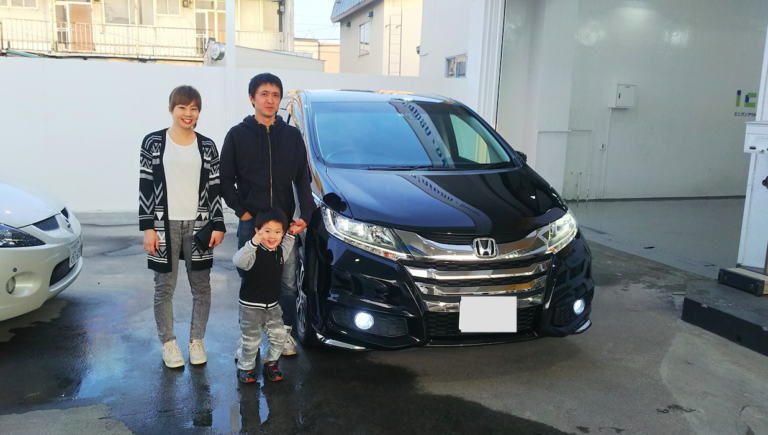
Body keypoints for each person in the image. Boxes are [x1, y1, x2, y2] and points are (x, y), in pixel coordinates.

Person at [220, 73, 315, 356]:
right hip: (252, 225)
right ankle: (248, 337)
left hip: (284, 226)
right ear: (252, 98)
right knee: (250, 281)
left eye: (275, 95)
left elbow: (303, 180)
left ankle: (283, 334)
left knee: (286, 284)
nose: (270, 100)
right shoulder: (237, 135)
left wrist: (306, 214)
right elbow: (225, 180)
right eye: (264, 94)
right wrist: (243, 212)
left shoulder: (292, 136)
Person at [139, 85, 226, 368]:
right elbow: (145, 185)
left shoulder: (207, 146)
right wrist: (148, 228)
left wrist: (218, 224)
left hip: (200, 226)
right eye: (182, 107)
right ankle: (169, 343)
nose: (188, 113)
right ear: (171, 109)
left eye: (194, 108)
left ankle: (196, 340)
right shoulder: (153, 142)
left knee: (201, 287)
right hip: (163, 225)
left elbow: (215, 188)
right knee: (164, 287)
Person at [233, 207, 290, 383]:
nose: (272, 236)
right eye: (267, 231)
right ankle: (245, 367)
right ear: (257, 231)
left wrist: (292, 234)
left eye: (277, 232)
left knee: (280, 336)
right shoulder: (252, 252)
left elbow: (288, 246)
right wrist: (253, 243)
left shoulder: (280, 252)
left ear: (282, 233)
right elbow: (238, 261)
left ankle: (270, 363)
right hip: (250, 307)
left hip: (272, 307)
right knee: (251, 341)